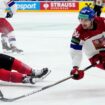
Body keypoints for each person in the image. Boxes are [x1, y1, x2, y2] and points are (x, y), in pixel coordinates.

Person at [70, 6, 105, 80]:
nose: (82, 22)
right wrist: (75, 67)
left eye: (85, 20)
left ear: (92, 19)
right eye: (81, 19)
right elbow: (75, 51)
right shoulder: (78, 33)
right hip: (95, 57)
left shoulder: (102, 22)